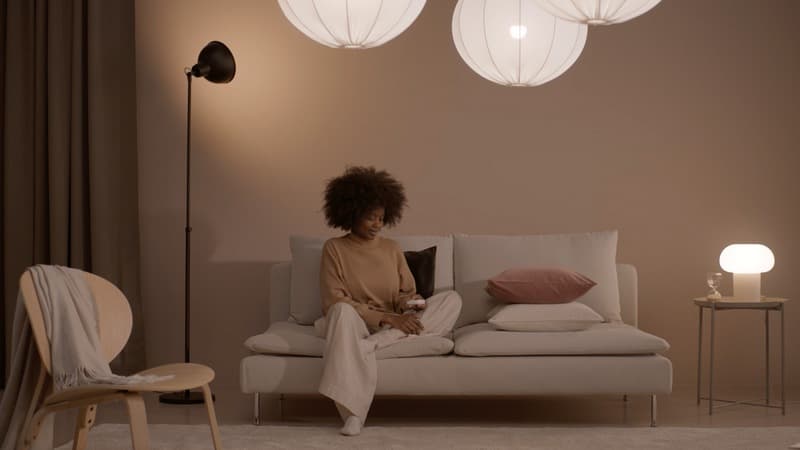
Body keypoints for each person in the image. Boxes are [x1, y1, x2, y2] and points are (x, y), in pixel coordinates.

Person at [317, 166, 462, 436]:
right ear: (351, 213)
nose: (377, 224)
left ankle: (373, 345)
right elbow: (333, 299)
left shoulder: (391, 248)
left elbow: (405, 293)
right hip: (355, 323)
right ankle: (354, 413)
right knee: (340, 311)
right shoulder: (334, 248)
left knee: (451, 299)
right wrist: (387, 318)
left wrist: (412, 303)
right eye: (371, 218)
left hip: (389, 327)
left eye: (381, 218)